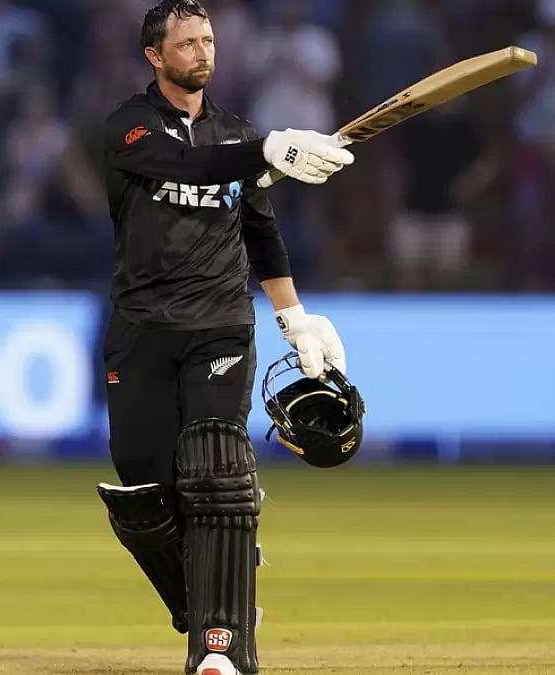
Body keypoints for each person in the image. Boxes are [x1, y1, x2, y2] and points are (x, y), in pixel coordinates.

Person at [91, 2, 353, 675]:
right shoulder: (128, 129)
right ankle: (215, 588)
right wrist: (265, 152)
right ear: (155, 55)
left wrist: (294, 318)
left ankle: (221, 645)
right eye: (187, 43)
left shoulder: (236, 131)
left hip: (219, 325)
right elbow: (190, 166)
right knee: (144, 490)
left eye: (208, 39)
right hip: (142, 330)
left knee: (215, 469)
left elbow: (259, 231)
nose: (202, 52)